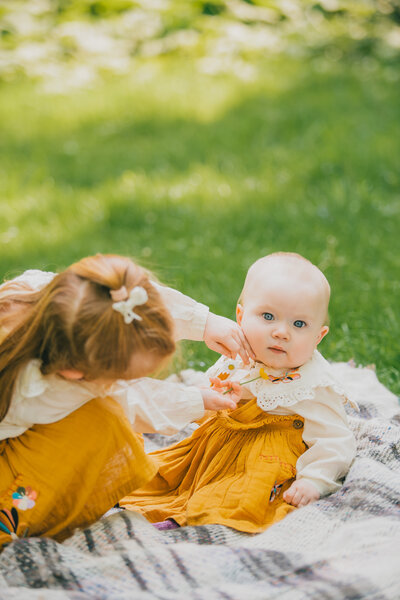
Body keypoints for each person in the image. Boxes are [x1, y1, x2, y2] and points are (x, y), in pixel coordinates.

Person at [0, 254, 252, 548]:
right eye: (119, 376)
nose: (122, 382)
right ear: (75, 372)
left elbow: (130, 304)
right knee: (105, 423)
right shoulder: (41, 387)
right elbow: (131, 402)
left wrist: (205, 324)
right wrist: (199, 400)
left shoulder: (56, 297)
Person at [121, 252, 357, 533]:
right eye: (268, 316)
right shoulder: (239, 355)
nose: (282, 332)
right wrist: (209, 399)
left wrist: (314, 480)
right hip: (215, 448)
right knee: (162, 474)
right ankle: (162, 501)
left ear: (318, 336)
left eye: (299, 324)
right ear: (240, 316)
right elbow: (209, 399)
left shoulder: (313, 385)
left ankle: (186, 521)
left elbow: (335, 440)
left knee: (238, 492)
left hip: (264, 458)